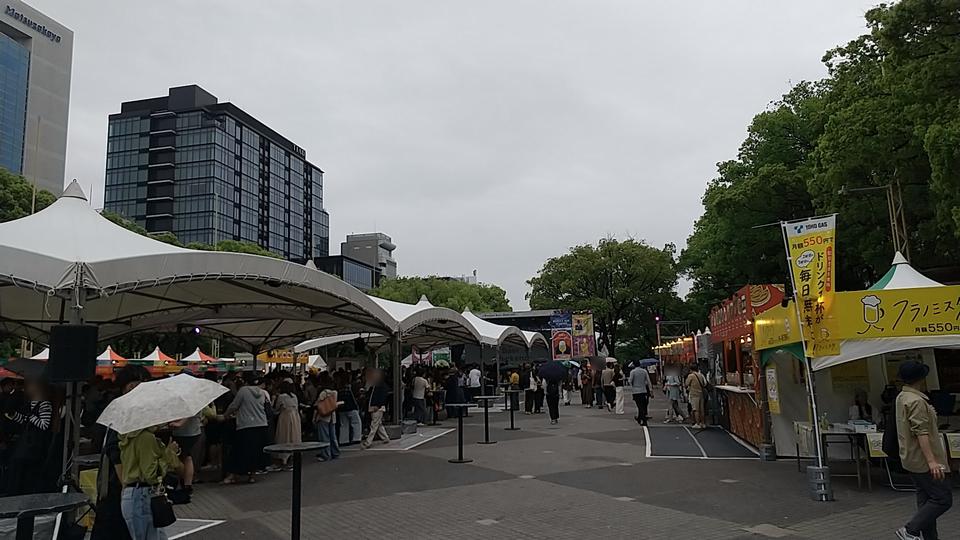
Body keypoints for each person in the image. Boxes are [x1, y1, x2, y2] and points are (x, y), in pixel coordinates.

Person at [894, 361, 952, 540]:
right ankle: (910, 530)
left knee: (926, 499)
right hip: (923, 460)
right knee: (943, 498)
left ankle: (929, 537)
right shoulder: (916, 401)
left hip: (911, 458)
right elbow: (921, 432)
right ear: (921, 378)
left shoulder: (902, 397)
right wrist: (932, 461)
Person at [119, 424, 182, 540]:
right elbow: (152, 475)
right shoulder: (146, 437)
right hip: (142, 496)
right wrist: (168, 454)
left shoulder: (128, 438)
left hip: (133, 494)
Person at [4, 379, 53, 495]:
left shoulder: (45, 404)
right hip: (26, 442)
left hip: (35, 444)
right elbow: (25, 421)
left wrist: (31, 416)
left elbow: (44, 425)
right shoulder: (30, 403)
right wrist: (14, 415)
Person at [222, 375, 270, 484]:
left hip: (246, 425)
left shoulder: (243, 391)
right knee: (255, 452)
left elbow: (234, 405)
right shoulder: (262, 392)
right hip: (262, 424)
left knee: (240, 451)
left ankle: (232, 475)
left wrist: (225, 415)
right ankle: (252, 476)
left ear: (246, 382)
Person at [272, 379, 301, 469]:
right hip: (295, 416)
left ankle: (283, 459)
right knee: (294, 436)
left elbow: (277, 409)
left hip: (285, 417)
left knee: (284, 436)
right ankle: (292, 457)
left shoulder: (281, 397)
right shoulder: (294, 396)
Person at [315, 372, 340, 462]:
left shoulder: (323, 393)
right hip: (332, 416)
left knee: (324, 436)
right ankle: (335, 452)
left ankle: (326, 454)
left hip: (323, 416)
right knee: (333, 436)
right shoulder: (334, 392)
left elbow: (318, 405)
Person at [362, 369, 390, 448]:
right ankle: (385, 438)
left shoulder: (380, 386)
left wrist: (378, 405)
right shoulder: (376, 385)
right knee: (378, 424)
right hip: (375, 407)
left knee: (374, 425)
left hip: (377, 407)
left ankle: (368, 442)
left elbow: (383, 397)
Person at [336, 372, 362, 445]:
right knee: (356, 422)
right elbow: (354, 397)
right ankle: (356, 438)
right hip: (351, 407)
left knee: (343, 424)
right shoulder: (350, 387)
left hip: (342, 408)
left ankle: (343, 440)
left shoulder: (339, 388)